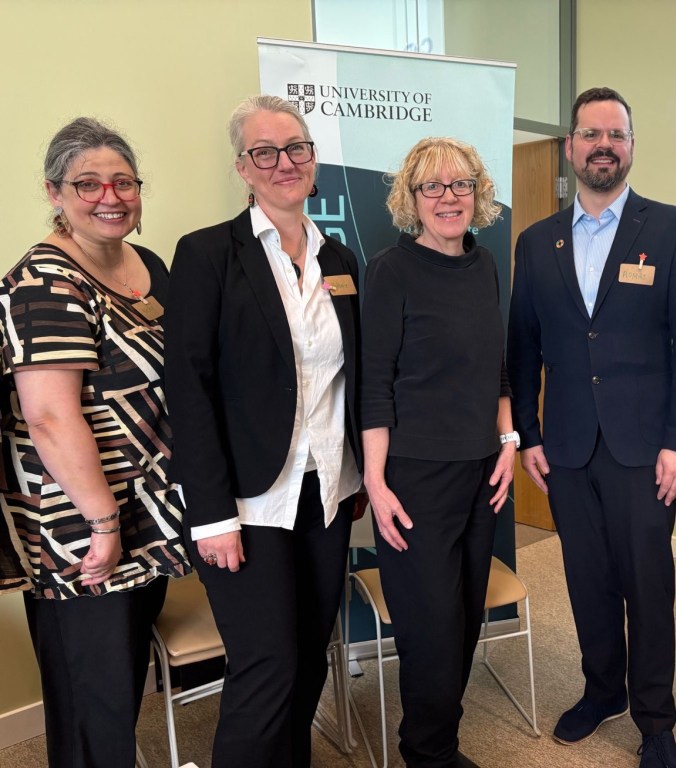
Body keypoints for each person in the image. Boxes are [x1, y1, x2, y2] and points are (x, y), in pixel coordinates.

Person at [507, 87, 676, 768]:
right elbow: (523, 347)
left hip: (646, 449)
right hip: (566, 447)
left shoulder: (674, 229)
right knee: (587, 579)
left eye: (616, 135)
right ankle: (603, 691)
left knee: (648, 587)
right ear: (570, 147)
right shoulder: (537, 241)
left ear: (630, 146)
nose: (603, 146)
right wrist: (529, 434)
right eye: (591, 134)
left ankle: (655, 720)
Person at [163, 95, 363, 768]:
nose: (285, 162)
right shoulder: (207, 254)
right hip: (246, 501)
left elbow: (349, 377)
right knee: (267, 662)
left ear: (313, 159)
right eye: (265, 152)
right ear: (242, 168)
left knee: (308, 652)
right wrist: (211, 513)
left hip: (325, 492)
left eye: (296, 148)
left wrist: (362, 474)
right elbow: (189, 390)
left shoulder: (339, 259)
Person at [0, 117, 189, 767]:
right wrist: (103, 522)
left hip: (147, 512)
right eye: (88, 184)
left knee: (120, 687)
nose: (110, 197)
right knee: (92, 703)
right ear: (54, 193)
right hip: (80, 524)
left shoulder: (147, 264)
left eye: (123, 182)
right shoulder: (44, 281)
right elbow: (50, 418)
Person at [361, 136, 514, 768]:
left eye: (460, 184)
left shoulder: (484, 265)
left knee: (465, 618)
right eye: (432, 186)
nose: (448, 197)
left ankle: (439, 745)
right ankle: (425, 753)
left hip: (482, 471)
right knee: (430, 629)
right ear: (412, 197)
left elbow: (496, 366)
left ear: (477, 193)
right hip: (415, 479)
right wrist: (376, 482)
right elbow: (374, 383)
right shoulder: (390, 270)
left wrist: (508, 441)